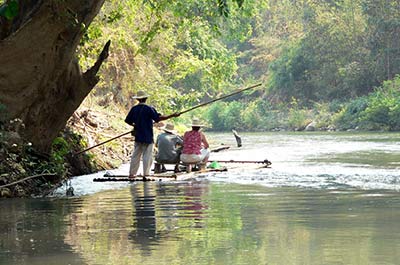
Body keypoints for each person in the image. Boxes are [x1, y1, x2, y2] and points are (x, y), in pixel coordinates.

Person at [125, 90, 179, 178]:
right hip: (147, 136)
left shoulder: (134, 109)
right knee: (147, 155)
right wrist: (172, 115)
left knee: (136, 155)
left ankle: (132, 174)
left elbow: (127, 120)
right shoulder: (149, 109)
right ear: (146, 98)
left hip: (138, 135)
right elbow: (158, 118)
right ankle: (146, 174)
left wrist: (135, 125)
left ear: (138, 99)